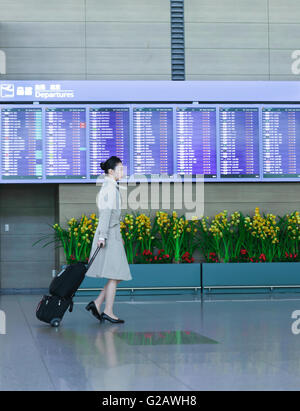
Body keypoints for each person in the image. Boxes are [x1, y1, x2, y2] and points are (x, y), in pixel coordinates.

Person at [85, 156, 132, 324]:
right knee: (115, 274)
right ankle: (108, 310)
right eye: (119, 169)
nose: (122, 172)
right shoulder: (110, 189)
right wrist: (103, 236)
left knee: (117, 274)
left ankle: (98, 303)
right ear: (111, 171)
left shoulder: (111, 187)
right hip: (109, 236)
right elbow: (105, 214)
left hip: (113, 234)